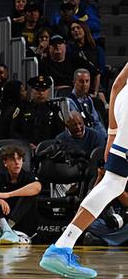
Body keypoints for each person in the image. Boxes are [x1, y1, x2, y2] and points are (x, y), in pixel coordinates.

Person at [40, 60, 128, 278]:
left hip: (123, 104)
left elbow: (117, 84)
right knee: (112, 183)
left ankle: (62, 247)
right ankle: (61, 248)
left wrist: (112, 133)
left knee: (113, 184)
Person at [0, 145, 41, 244]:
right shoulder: (0, 176)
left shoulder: (28, 176)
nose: (17, 162)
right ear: (5, 163)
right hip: (5, 214)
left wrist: (8, 194)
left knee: (29, 194)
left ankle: (9, 231)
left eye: (19, 159)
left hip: (22, 218)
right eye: (12, 159)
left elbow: (37, 187)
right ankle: (6, 230)